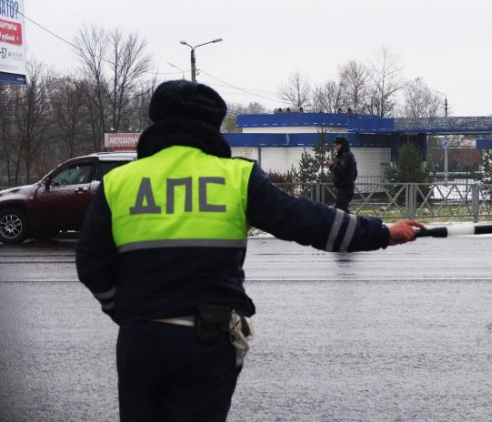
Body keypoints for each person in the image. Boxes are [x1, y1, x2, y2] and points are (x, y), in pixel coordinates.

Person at [76, 80, 425, 422]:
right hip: (206, 341)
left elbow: (91, 264)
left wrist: (123, 310)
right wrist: (380, 233)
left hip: (141, 340)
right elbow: (305, 220)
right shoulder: (236, 177)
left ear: (157, 123)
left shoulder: (120, 182)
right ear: (212, 126)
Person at [328, 136, 357, 213]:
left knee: (340, 211)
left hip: (345, 188)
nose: (336, 147)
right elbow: (355, 173)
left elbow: (340, 170)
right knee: (342, 210)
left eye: (337, 145)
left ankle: (358, 223)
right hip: (346, 187)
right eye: (335, 145)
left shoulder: (345, 156)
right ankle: (355, 222)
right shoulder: (349, 155)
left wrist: (331, 166)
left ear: (342, 145)